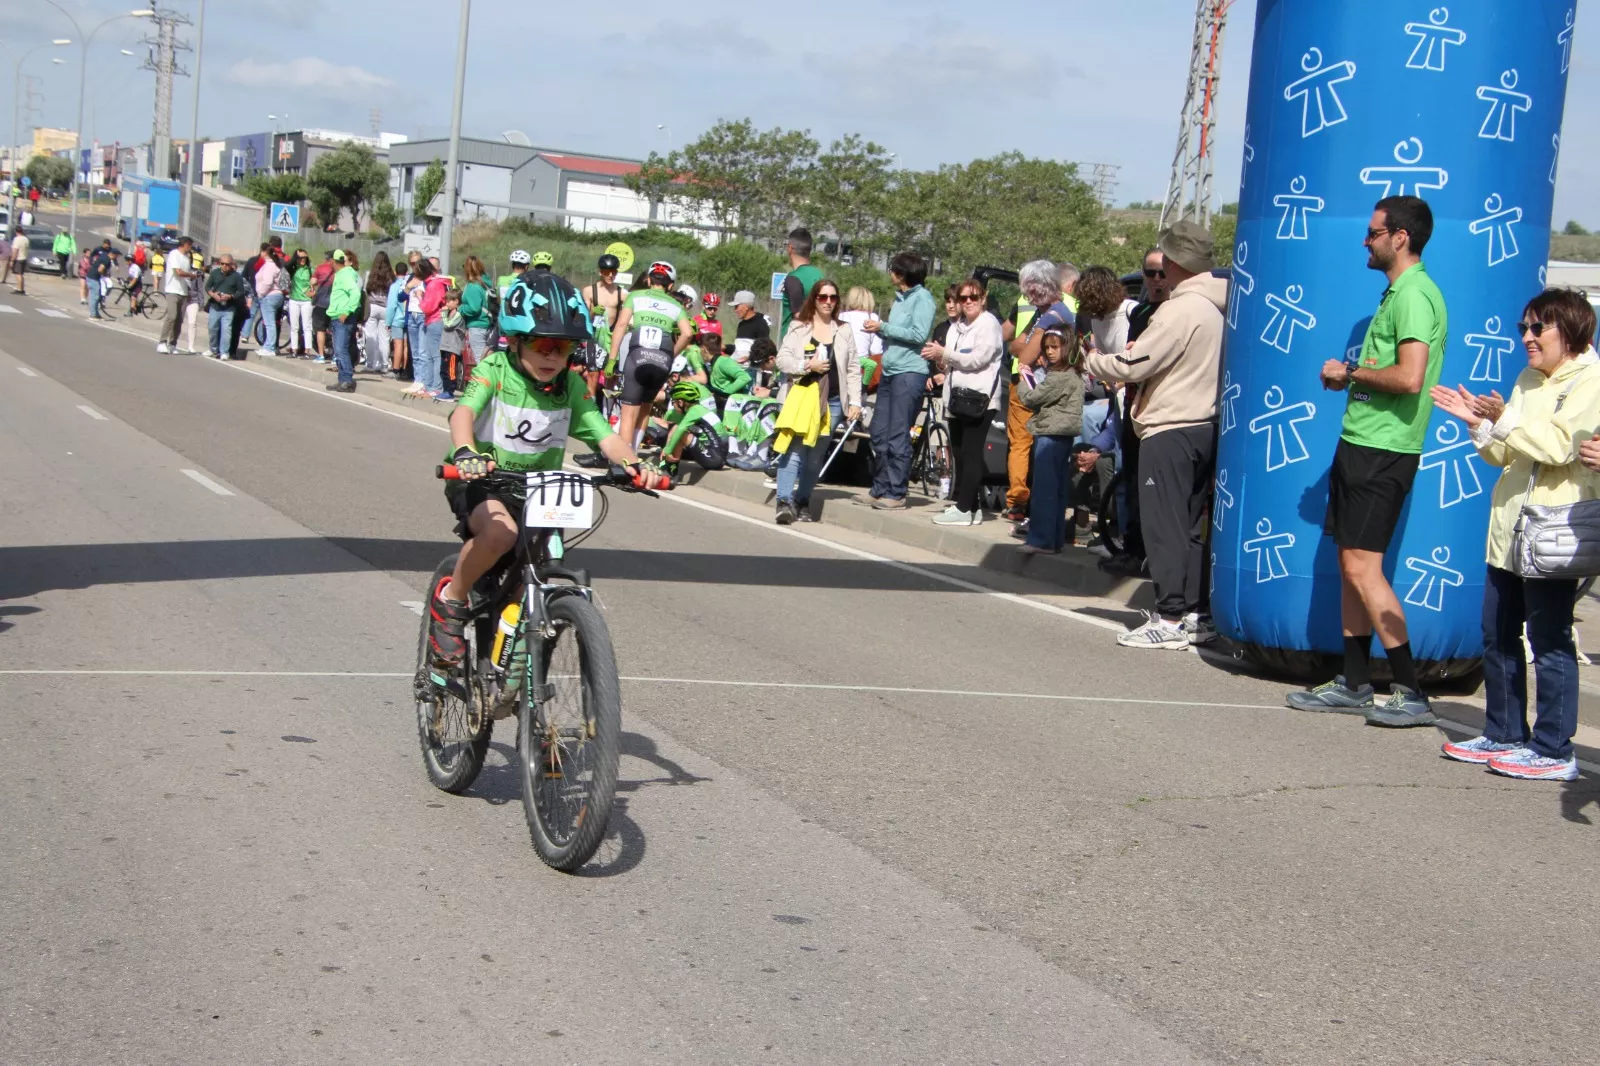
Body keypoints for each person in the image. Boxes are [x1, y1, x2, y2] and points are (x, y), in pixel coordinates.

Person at [427, 272, 659, 663]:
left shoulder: (570, 387)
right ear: (515, 341)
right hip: (483, 480)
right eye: (542, 344)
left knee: (540, 564)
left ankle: (513, 657)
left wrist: (635, 464)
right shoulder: (495, 370)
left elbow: (606, 437)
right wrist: (466, 451)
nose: (553, 356)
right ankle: (449, 603)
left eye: (565, 348)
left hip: (538, 489)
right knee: (502, 535)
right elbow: (462, 413)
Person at [1286, 196, 1448, 721]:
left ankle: (1410, 691)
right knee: (1349, 566)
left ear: (1400, 237)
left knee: (1363, 568)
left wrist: (1349, 373)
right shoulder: (1397, 292)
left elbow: (1410, 377)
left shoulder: (1416, 296)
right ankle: (1354, 682)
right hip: (1362, 442)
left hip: (1385, 450)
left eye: (1373, 232)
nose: (1366, 240)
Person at [1428, 289, 1596, 781]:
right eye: (1522, 327)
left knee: (1549, 638)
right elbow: (1504, 455)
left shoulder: (1591, 380)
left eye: (1537, 328)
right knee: (1497, 633)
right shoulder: (1529, 378)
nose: (1526, 337)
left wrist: (1504, 420)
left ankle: (1553, 748)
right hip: (1509, 528)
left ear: (1569, 330)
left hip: (1553, 532)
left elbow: (1560, 447)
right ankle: (1503, 732)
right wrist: (1479, 426)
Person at [1082, 221, 1226, 650]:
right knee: (1192, 529)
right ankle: (1197, 614)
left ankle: (1168, 616)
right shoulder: (1219, 305)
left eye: (1164, 259)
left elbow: (1133, 365)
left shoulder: (1181, 309)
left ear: (1176, 261)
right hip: (1207, 424)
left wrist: (1092, 360)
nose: (1158, 270)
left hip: (1171, 427)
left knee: (1164, 526)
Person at [772, 278, 861, 524]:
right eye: (823, 297)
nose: (828, 302)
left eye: (833, 297)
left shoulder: (843, 330)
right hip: (802, 396)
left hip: (832, 402)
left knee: (816, 455)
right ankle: (783, 501)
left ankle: (802, 501)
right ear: (815, 299)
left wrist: (855, 402)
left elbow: (853, 368)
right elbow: (782, 360)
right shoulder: (799, 327)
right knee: (796, 449)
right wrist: (806, 365)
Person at [922, 278, 1004, 527]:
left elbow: (977, 359)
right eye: (963, 298)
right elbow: (953, 359)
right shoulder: (957, 326)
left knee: (970, 452)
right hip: (957, 396)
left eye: (973, 297)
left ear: (983, 298)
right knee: (957, 450)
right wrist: (940, 361)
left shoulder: (989, 324)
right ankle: (974, 506)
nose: (968, 302)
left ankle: (963, 508)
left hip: (979, 398)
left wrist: (945, 354)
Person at [1005, 261, 1078, 524]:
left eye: (1031, 291)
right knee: (1035, 450)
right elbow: (1015, 346)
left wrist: (1030, 349)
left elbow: (1023, 352)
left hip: (1049, 395)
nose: (1028, 297)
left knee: (1042, 456)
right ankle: (1041, 520)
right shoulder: (1045, 313)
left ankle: (1033, 518)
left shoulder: (1052, 315)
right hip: (1043, 390)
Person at [860, 252, 934, 509]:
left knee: (898, 434)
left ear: (902, 274)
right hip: (891, 372)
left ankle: (896, 491)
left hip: (909, 373)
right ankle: (879, 487)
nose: (889, 273)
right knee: (878, 431)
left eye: (892, 270)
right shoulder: (900, 299)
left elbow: (918, 334)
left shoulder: (923, 299)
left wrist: (883, 328)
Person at [1013, 329, 1087, 554]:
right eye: (1047, 347)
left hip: (1049, 434)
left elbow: (1031, 398)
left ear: (1068, 348)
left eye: (1055, 347)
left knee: (1044, 490)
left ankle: (1041, 540)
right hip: (1063, 436)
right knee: (1057, 490)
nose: (1050, 352)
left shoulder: (1059, 377)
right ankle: (1054, 540)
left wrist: (1023, 378)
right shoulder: (1073, 375)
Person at [611, 261, 694, 450]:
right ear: (670, 285)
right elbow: (687, 334)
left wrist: (611, 359)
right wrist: (671, 355)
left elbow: (621, 326)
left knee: (628, 412)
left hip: (637, 356)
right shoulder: (676, 304)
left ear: (648, 280)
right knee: (645, 409)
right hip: (662, 359)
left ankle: (624, 462)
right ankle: (633, 454)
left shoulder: (635, 296)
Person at [404, 257, 450, 399]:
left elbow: (428, 307)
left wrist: (420, 298)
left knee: (434, 356)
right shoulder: (432, 283)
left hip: (435, 321)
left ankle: (435, 387)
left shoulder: (433, 285)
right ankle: (429, 385)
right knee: (430, 355)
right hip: (432, 321)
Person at [325, 249, 362, 391]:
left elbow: (355, 293)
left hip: (343, 317)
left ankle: (347, 380)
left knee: (341, 349)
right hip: (337, 316)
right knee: (339, 350)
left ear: (334, 262)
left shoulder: (345, 275)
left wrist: (347, 311)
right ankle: (342, 379)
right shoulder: (342, 274)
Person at [779, 227, 823, 338]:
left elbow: (798, 314)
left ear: (790, 248)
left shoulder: (793, 278)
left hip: (793, 341)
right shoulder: (820, 275)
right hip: (817, 338)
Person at [156, 236, 196, 354]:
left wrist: (188, 291)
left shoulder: (187, 258)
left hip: (183, 291)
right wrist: (191, 275)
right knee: (172, 316)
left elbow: (187, 278)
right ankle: (162, 342)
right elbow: (177, 272)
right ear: (184, 244)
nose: (190, 247)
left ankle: (172, 343)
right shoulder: (174, 254)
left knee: (179, 320)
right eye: (189, 245)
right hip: (172, 290)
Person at [203, 254, 247, 359]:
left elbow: (241, 292)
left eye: (227, 264)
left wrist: (230, 296)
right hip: (215, 306)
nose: (224, 266)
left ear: (231, 264)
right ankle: (213, 349)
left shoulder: (236, 276)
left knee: (226, 330)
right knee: (212, 328)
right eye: (222, 264)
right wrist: (213, 295)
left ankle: (224, 352)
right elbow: (208, 286)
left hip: (229, 308)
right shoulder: (215, 273)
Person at [362, 251, 396, 373]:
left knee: (371, 336)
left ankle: (370, 364)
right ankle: (384, 365)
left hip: (372, 306)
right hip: (386, 308)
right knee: (384, 338)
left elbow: (366, 290)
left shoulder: (370, 274)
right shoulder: (391, 277)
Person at [458, 255, 493, 374]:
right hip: (489, 324)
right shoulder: (486, 283)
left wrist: (461, 308)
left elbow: (474, 308)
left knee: (480, 361)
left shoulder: (473, 286)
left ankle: (486, 389)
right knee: (488, 360)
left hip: (477, 325)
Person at [253, 242, 284, 355]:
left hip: (269, 296)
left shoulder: (269, 266)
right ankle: (268, 345)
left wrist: (261, 293)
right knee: (270, 322)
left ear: (265, 253)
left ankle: (270, 347)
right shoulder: (273, 265)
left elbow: (267, 282)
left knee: (269, 323)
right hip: (275, 295)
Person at [581, 252, 626, 329]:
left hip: (611, 334)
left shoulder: (622, 293)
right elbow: (583, 318)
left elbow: (625, 318)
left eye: (614, 272)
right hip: (593, 333)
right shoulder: (588, 291)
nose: (611, 275)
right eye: (607, 272)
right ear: (600, 272)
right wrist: (593, 312)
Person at [285, 249, 315, 357]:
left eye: (304, 258)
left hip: (306, 301)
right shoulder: (293, 269)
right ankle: (294, 349)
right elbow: (286, 265)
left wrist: (313, 292)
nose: (302, 260)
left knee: (307, 326)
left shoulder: (310, 270)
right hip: (294, 299)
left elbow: (317, 282)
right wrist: (295, 257)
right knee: (294, 326)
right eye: (300, 258)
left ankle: (307, 350)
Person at [438, 289, 467, 400]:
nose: (447, 303)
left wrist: (444, 314)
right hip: (445, 346)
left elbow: (448, 325)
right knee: (443, 369)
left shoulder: (458, 314)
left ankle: (450, 391)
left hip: (453, 347)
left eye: (449, 301)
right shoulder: (451, 313)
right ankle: (445, 390)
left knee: (451, 370)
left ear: (456, 301)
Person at [310, 250, 338, 361]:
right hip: (334, 304)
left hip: (321, 303)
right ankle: (336, 356)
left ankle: (321, 355)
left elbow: (312, 281)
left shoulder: (321, 267)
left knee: (320, 330)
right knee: (335, 331)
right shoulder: (339, 270)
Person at [387, 259, 411, 380]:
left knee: (398, 344)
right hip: (408, 318)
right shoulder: (409, 284)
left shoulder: (395, 286)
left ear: (395, 272)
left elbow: (391, 306)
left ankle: (395, 369)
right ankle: (405, 369)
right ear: (407, 272)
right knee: (407, 345)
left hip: (397, 319)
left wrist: (388, 322)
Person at [8, 226, 29, 295]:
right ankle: (21, 288)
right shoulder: (26, 239)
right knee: (21, 274)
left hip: (18, 258)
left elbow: (15, 250)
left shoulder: (17, 239)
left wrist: (12, 260)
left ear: (16, 232)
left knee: (18, 274)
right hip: (24, 257)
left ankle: (20, 289)